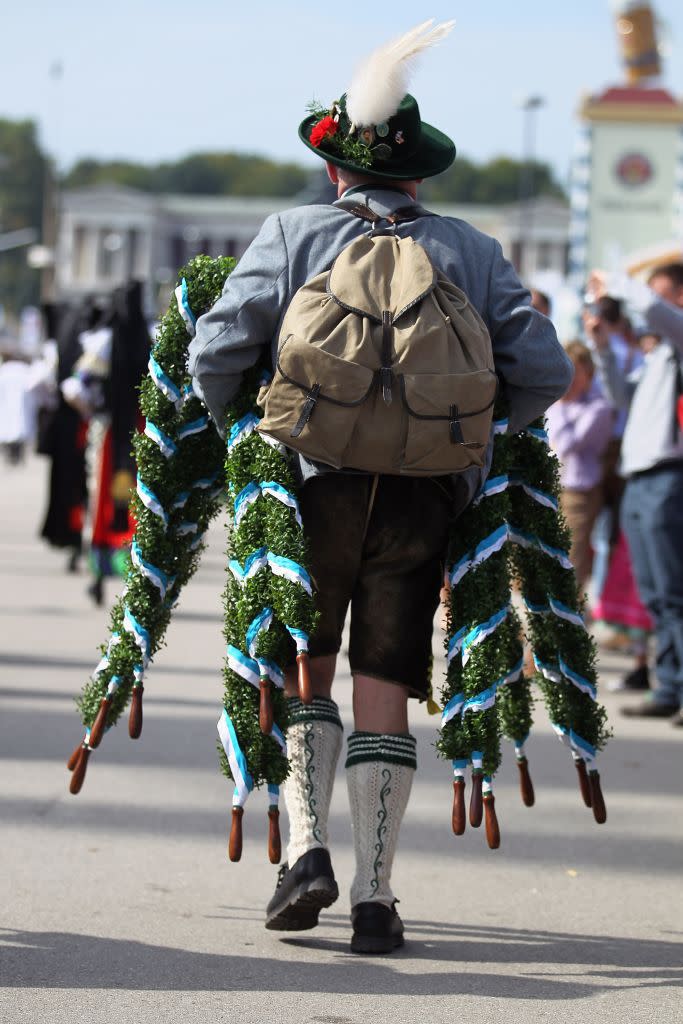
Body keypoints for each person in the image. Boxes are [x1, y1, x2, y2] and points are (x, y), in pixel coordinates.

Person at [189, 21, 572, 954]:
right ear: (418, 174)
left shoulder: (291, 233)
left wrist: (253, 438)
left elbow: (213, 352)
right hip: (421, 495)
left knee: (304, 662)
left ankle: (308, 851)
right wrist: (471, 448)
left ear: (334, 169)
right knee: (385, 679)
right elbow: (544, 373)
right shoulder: (469, 248)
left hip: (312, 485)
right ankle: (374, 895)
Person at [587, 264, 683, 723]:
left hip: (670, 477)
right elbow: (622, 400)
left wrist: (620, 284)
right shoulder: (660, 352)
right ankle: (669, 688)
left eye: (662, 295)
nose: (651, 305)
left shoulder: (678, 337)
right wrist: (603, 345)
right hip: (641, 479)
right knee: (657, 593)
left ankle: (677, 687)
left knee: (673, 590)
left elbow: (655, 311)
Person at [546, 341, 613, 593]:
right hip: (550, 487)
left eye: (576, 372)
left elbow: (566, 445)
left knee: (571, 560)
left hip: (578, 495)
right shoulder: (552, 404)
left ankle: (568, 621)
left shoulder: (598, 408)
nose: (570, 379)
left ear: (589, 374)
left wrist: (562, 403)